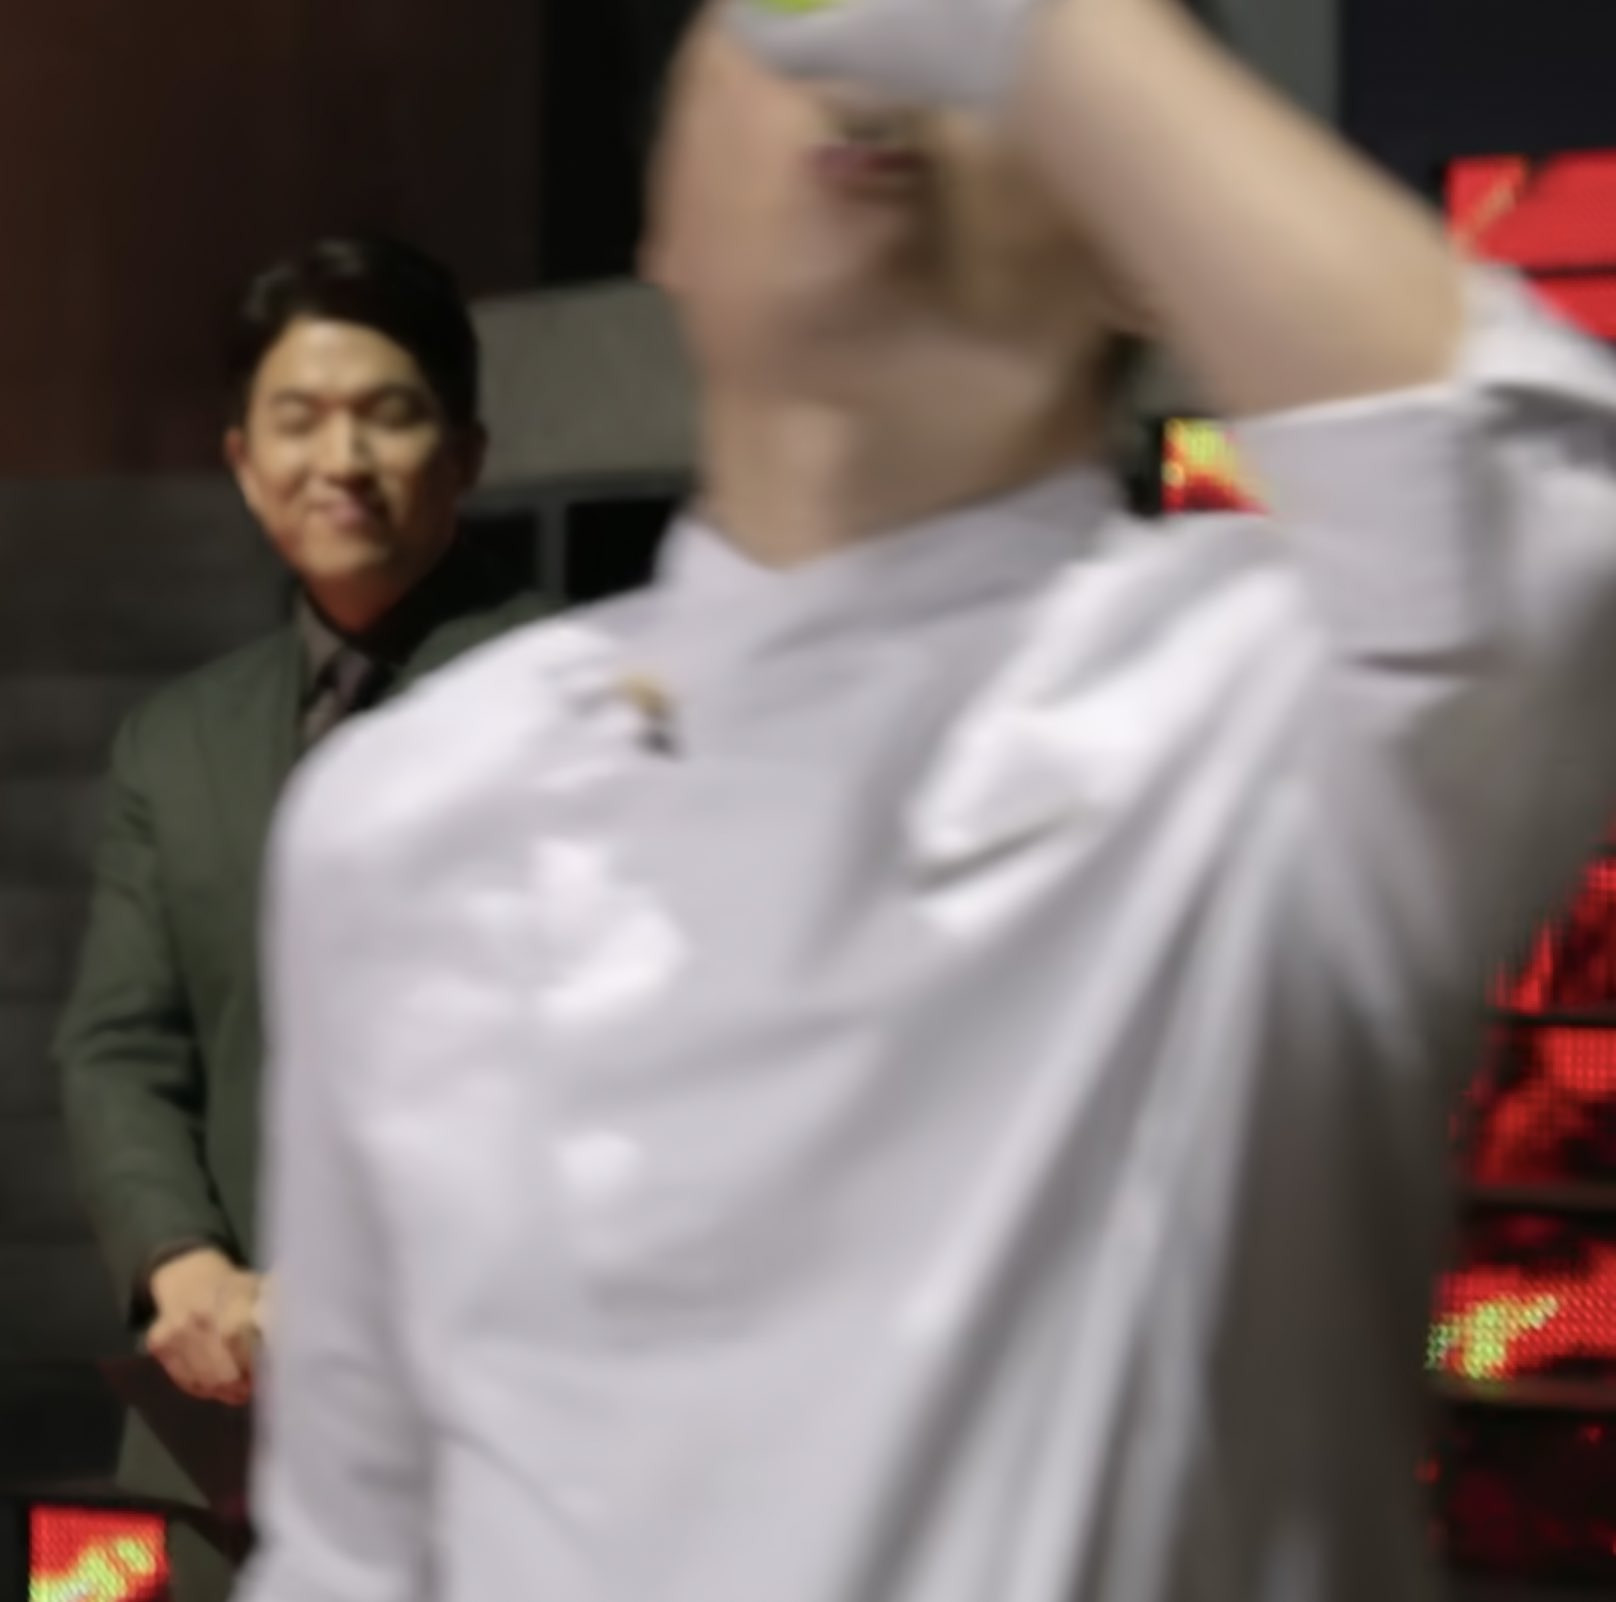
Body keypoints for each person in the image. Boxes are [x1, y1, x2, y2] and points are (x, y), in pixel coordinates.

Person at [240, 1, 1616, 1599]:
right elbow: (348, 1550)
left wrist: (1056, 39)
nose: (873, 59)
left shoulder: (1276, 708)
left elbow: (1550, 520)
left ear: (1136, 234)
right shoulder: (409, 808)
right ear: (667, 220)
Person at [56, 234, 545, 1602]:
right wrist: (179, 1263)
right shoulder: (177, 740)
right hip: (211, 1404)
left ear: (466, 452)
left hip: (490, 1417)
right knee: (90, 1591)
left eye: (388, 414)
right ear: (241, 458)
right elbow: (117, 1046)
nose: (342, 457)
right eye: (299, 417)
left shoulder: (575, 697)